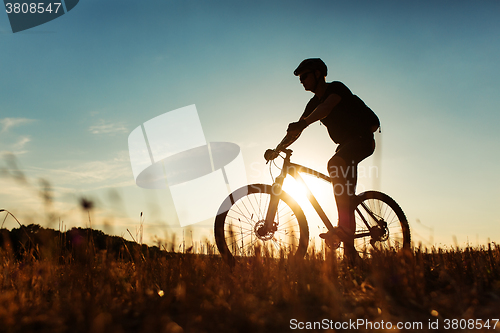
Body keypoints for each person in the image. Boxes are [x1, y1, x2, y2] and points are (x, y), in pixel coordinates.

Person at [266, 58, 379, 261]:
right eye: (300, 78)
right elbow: (296, 130)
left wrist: (304, 123)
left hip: (362, 140)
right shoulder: (312, 104)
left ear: (318, 74)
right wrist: (278, 148)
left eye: (305, 76)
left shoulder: (336, 88)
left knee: (334, 164)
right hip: (345, 146)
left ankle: (343, 228)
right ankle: (351, 256)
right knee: (346, 196)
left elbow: (326, 108)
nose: (301, 80)